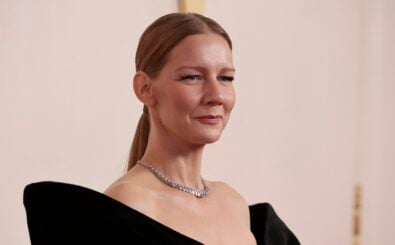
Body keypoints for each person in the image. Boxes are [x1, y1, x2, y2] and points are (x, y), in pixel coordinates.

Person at [23, 13, 300, 245]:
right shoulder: (127, 206)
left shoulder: (234, 203)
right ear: (145, 88)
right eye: (192, 77)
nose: (216, 95)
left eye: (226, 78)